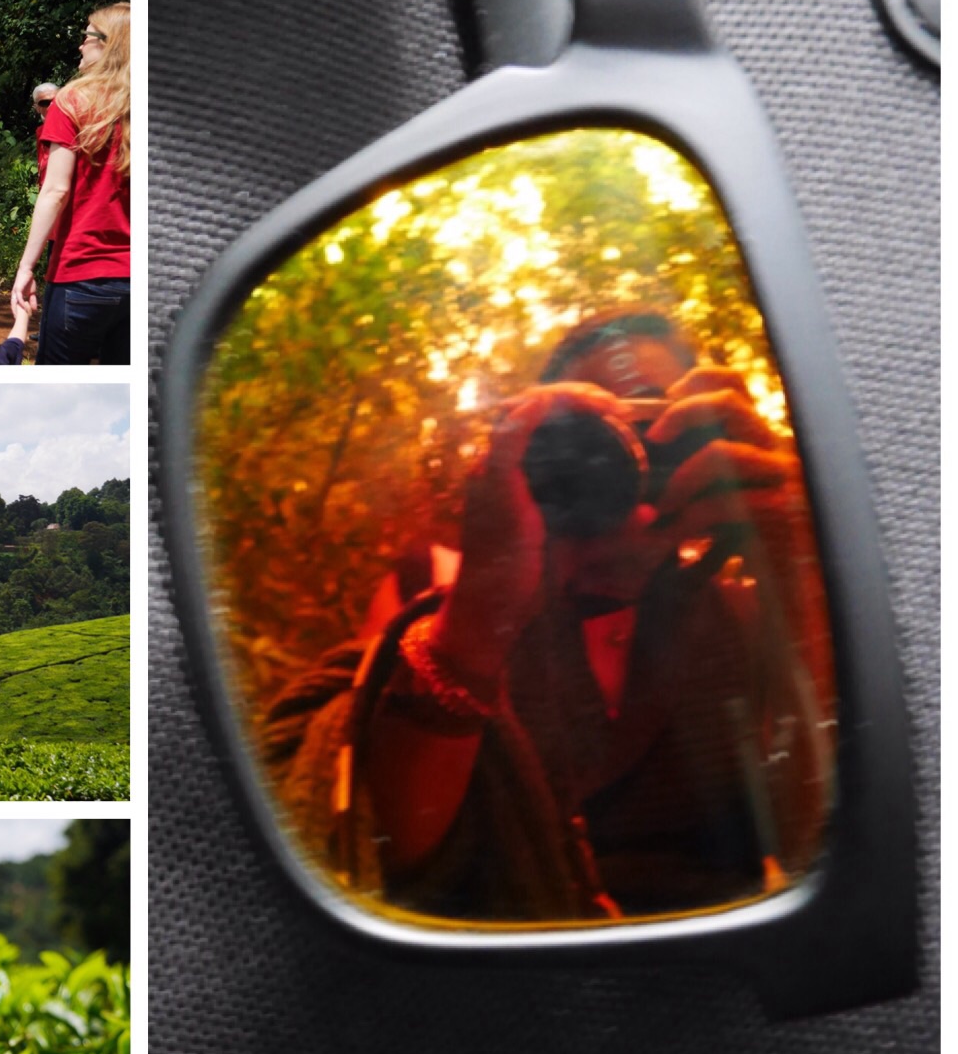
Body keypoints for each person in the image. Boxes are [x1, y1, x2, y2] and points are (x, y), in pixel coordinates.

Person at [269, 311, 827, 922]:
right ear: (538, 455)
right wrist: (483, 610)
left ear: (711, 442)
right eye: (598, 442)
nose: (628, 467)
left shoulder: (740, 613)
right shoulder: (436, 586)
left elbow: (819, 840)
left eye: (656, 427)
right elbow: (367, 852)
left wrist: (798, 568)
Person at [11, 3, 129, 364]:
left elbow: (56, 190)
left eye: (87, 37)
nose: (80, 45)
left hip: (82, 271)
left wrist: (26, 267)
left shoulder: (73, 101)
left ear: (108, 45)